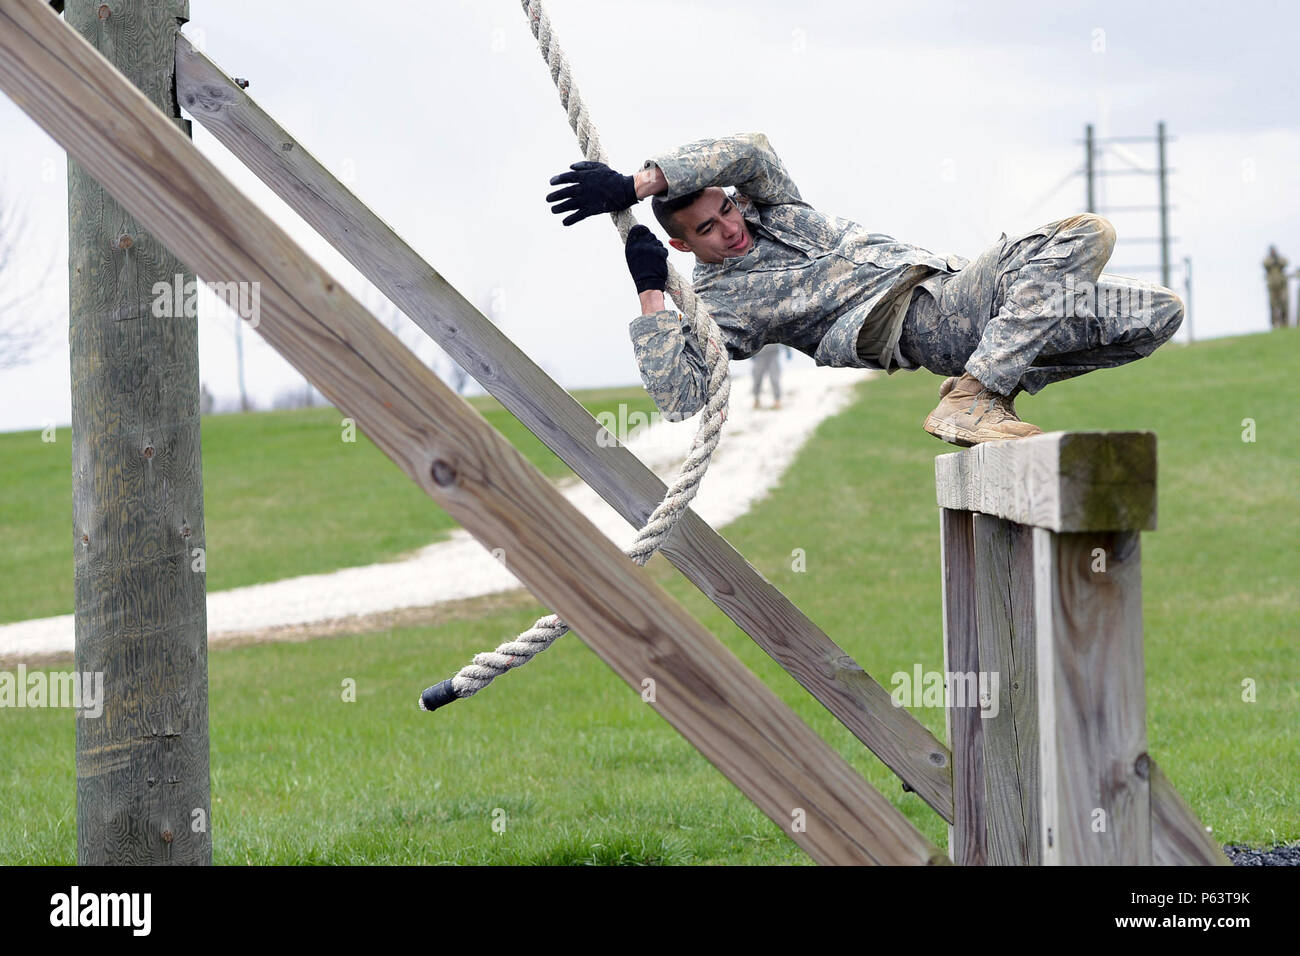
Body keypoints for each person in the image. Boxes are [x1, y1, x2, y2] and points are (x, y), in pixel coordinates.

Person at [546, 133, 1185, 445]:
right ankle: (978, 393)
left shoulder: (777, 209)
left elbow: (752, 150)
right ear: (684, 245)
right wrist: (652, 292)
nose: (729, 231)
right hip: (929, 320)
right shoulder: (724, 302)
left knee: (1155, 314)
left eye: (727, 211)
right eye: (706, 230)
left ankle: (989, 380)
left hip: (962, 290)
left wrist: (638, 184)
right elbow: (681, 398)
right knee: (1081, 237)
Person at [749, 343, 791, 410]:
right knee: (757, 378)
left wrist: (788, 350)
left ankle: (777, 401)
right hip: (759, 354)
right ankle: (756, 400)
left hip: (773, 354)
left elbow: (784, 336)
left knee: (774, 378)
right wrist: (749, 352)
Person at [1263, 246, 1289, 329]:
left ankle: (1284, 323)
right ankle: (1274, 325)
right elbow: (1265, 264)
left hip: (1281, 286)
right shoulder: (1267, 260)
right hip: (1272, 287)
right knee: (1273, 306)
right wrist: (1273, 261)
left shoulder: (1280, 259)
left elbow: (1285, 263)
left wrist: (1277, 260)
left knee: (1283, 305)